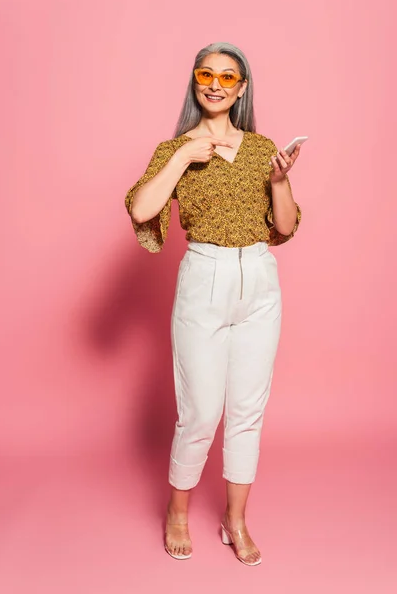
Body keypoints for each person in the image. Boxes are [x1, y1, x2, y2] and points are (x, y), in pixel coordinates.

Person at [125, 41, 302, 566]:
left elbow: (286, 226)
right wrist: (183, 154)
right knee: (201, 412)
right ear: (195, 81)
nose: (217, 84)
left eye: (229, 76)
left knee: (248, 411)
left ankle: (236, 519)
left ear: (242, 87)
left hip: (260, 282)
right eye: (208, 73)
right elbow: (141, 208)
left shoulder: (260, 147)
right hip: (204, 277)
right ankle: (178, 512)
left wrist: (279, 181)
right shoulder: (175, 148)